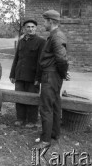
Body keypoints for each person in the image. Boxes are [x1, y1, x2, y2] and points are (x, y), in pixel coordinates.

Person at [37, 10, 69, 148]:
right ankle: (54, 133)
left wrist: (62, 73)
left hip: (51, 76)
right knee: (55, 104)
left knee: (46, 107)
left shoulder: (57, 36)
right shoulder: (55, 35)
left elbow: (61, 58)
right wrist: (62, 73)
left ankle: (45, 140)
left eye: (45, 21)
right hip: (53, 75)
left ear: (50, 21)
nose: (43, 23)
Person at [9, 19, 46, 128]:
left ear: (36, 28)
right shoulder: (21, 41)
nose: (30, 29)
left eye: (32, 27)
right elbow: (16, 58)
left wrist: (38, 78)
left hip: (32, 77)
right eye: (28, 27)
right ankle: (20, 118)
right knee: (19, 97)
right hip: (19, 75)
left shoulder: (41, 42)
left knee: (32, 98)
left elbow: (41, 61)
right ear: (25, 29)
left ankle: (32, 120)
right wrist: (12, 74)